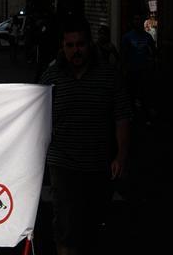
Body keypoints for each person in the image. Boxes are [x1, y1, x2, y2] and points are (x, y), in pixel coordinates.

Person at [40, 15, 131, 255]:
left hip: (98, 164)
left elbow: (122, 116)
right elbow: (37, 117)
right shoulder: (51, 78)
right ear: (62, 47)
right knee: (66, 226)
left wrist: (121, 155)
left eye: (80, 44)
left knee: (94, 226)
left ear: (89, 44)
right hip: (63, 164)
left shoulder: (110, 76)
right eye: (70, 46)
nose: (75, 51)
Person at [121, 13, 157, 125]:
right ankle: (132, 116)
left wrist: (151, 63)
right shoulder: (127, 37)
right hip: (132, 70)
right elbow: (123, 55)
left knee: (144, 94)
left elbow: (154, 52)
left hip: (144, 71)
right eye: (135, 19)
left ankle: (145, 116)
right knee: (131, 94)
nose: (137, 22)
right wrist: (124, 69)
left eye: (139, 19)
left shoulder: (147, 37)